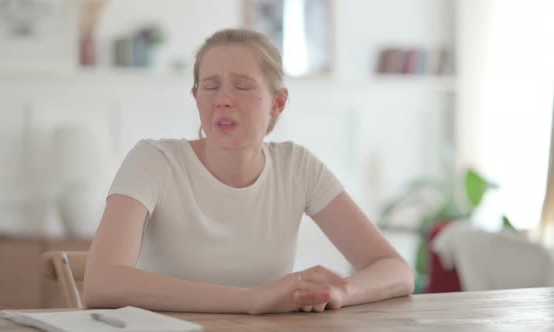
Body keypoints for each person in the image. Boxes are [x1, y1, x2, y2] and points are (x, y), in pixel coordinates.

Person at [83, 28, 414, 314]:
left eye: (242, 87)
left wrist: (340, 292)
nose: (223, 99)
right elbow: (101, 282)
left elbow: (396, 269)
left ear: (278, 103)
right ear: (196, 98)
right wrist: (250, 299)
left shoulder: (297, 167)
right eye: (210, 87)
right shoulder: (153, 160)